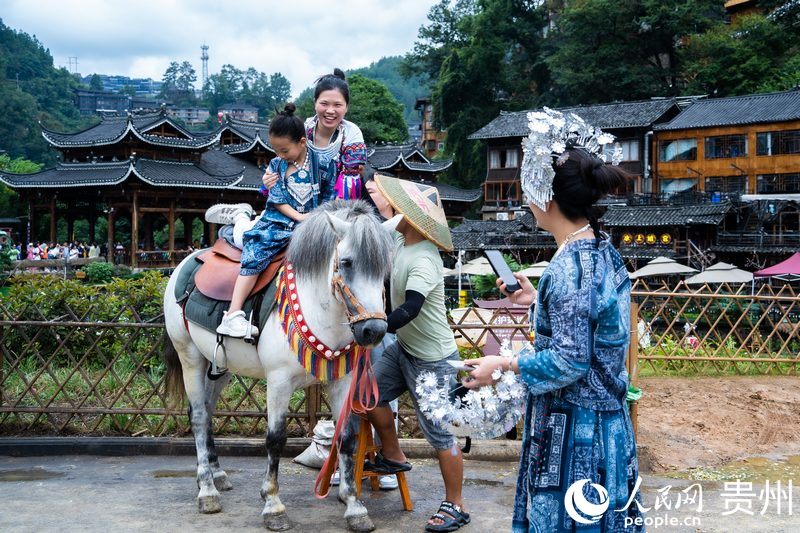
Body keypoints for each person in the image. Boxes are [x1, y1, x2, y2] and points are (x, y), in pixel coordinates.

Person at [462, 108, 643, 532]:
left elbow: (569, 360)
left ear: (544, 197)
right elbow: (591, 326)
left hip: (576, 429)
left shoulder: (566, 270)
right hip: (607, 424)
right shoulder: (602, 249)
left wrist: (501, 365)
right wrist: (533, 300)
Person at [364, 174, 469, 532]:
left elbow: (411, 308)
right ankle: (393, 454)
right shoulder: (399, 237)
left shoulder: (425, 257)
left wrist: (378, 327)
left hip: (433, 360)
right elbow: (381, 220)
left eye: (400, 207)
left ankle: (455, 505)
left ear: (411, 216)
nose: (393, 210)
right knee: (368, 394)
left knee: (438, 434)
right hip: (407, 349)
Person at [209, 103, 337, 338]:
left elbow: (330, 197)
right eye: (276, 150)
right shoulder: (277, 164)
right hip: (278, 221)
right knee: (256, 250)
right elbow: (276, 199)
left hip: (314, 225)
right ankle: (233, 314)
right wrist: (300, 217)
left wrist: (316, 219)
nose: (279, 155)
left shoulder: (326, 165)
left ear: (302, 142)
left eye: (284, 150)